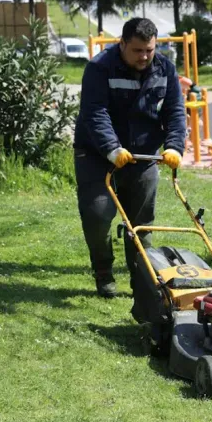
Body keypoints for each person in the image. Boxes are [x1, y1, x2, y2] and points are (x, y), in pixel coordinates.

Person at [73, 18, 187, 298]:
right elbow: (94, 112)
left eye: (149, 50)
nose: (144, 56)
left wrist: (174, 147)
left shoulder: (165, 68)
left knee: (141, 225)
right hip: (97, 155)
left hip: (143, 156)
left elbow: (174, 111)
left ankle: (142, 285)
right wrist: (112, 148)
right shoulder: (100, 67)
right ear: (122, 43)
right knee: (98, 217)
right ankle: (103, 272)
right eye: (137, 51)